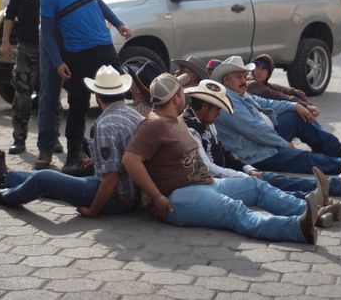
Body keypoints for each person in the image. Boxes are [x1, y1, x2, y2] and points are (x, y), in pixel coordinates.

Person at [121, 73, 322, 244]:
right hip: (180, 196)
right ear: (175, 98)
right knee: (235, 211)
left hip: (205, 184)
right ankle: (297, 228)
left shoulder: (176, 118)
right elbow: (130, 160)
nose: (185, 96)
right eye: (182, 92)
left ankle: (314, 212)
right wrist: (157, 197)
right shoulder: (153, 125)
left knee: (255, 185)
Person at [0, 65, 143, 216]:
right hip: (128, 193)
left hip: (116, 198)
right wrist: (98, 160)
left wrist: (92, 211)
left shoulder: (106, 125)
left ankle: (5, 196)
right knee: (56, 183)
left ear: (97, 95)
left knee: (45, 178)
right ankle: (8, 177)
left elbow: (111, 178)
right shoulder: (133, 114)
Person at [22, 0, 132, 172]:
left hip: (104, 47)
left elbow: (98, 2)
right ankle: (73, 156)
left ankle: (125, 148)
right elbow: (48, 32)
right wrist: (58, 61)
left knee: (119, 94)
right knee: (79, 103)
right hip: (77, 54)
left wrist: (120, 24)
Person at [184, 79, 341, 205]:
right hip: (217, 180)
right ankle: (316, 201)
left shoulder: (208, 122)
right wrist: (244, 175)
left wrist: (248, 169)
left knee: (273, 180)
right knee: (267, 187)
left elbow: (224, 152)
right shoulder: (191, 128)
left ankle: (331, 188)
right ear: (205, 107)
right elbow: (208, 168)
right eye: (217, 109)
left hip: (230, 171)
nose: (220, 114)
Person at [212, 56, 341, 175]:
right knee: (303, 158)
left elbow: (267, 103)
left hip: (263, 140)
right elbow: (255, 129)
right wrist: (283, 143)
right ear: (226, 80)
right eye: (238, 76)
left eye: (244, 75)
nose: (244, 80)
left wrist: (295, 105)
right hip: (254, 154)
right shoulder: (228, 102)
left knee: (296, 116)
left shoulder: (239, 93)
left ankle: (337, 151)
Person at [1, 0, 58, 155]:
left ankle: (53, 139)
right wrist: (6, 40)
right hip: (26, 47)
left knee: (50, 96)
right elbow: (11, 12)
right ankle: (19, 139)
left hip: (50, 49)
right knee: (22, 95)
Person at [247, 54, 311, 107]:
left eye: (263, 68)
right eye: (257, 67)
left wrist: (309, 104)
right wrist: (306, 106)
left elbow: (295, 91)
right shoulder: (251, 84)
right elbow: (280, 96)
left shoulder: (265, 85)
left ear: (268, 73)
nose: (259, 71)